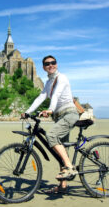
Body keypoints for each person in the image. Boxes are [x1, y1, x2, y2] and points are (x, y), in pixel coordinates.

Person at [22, 55, 79, 194]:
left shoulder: (62, 78)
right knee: (61, 152)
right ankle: (63, 186)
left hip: (69, 113)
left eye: (53, 63)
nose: (51, 65)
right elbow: (40, 97)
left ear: (57, 64)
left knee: (51, 135)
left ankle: (70, 168)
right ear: (43, 67)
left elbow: (56, 95)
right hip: (59, 117)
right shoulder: (48, 83)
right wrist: (27, 111)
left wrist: (50, 110)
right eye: (47, 64)